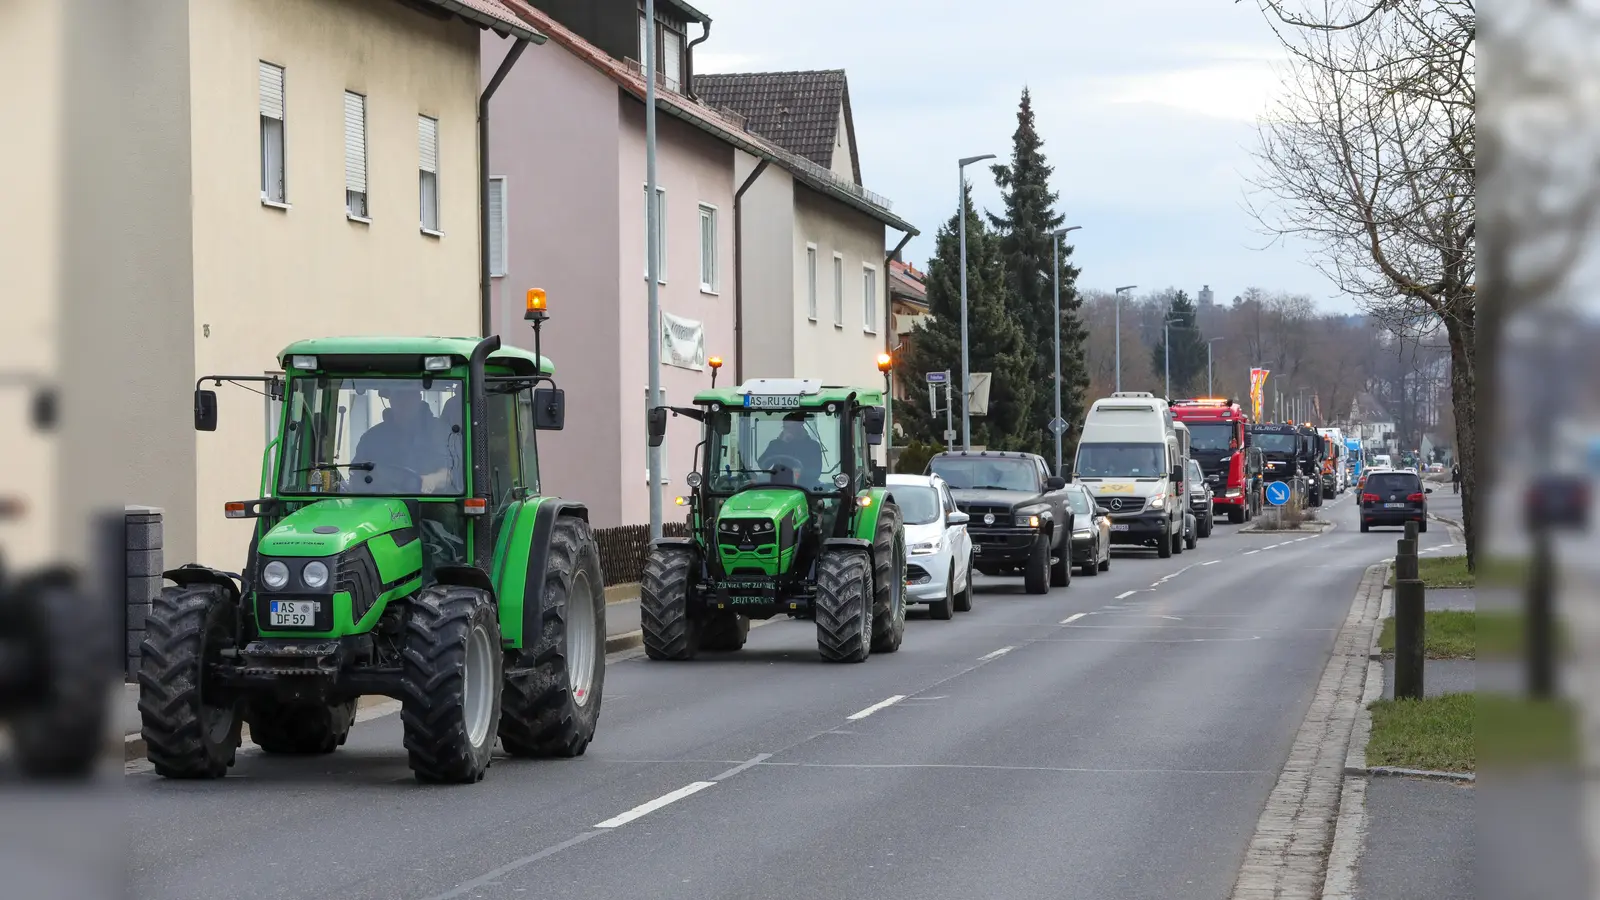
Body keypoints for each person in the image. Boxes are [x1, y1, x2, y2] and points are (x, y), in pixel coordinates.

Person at [351, 387, 456, 494]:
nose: (405, 402)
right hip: (383, 499)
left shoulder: (441, 431)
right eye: (399, 396)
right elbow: (357, 473)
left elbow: (454, 471)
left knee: (449, 511)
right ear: (390, 400)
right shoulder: (371, 437)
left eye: (410, 396)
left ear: (418, 398)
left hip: (431, 500)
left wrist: (433, 480)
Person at [759, 412, 823, 486]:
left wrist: (797, 472)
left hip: (805, 486)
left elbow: (815, 472)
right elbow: (762, 465)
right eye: (786, 428)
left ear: (800, 427)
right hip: (777, 485)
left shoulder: (812, 445)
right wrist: (781, 443)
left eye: (792, 428)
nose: (788, 431)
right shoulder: (775, 444)